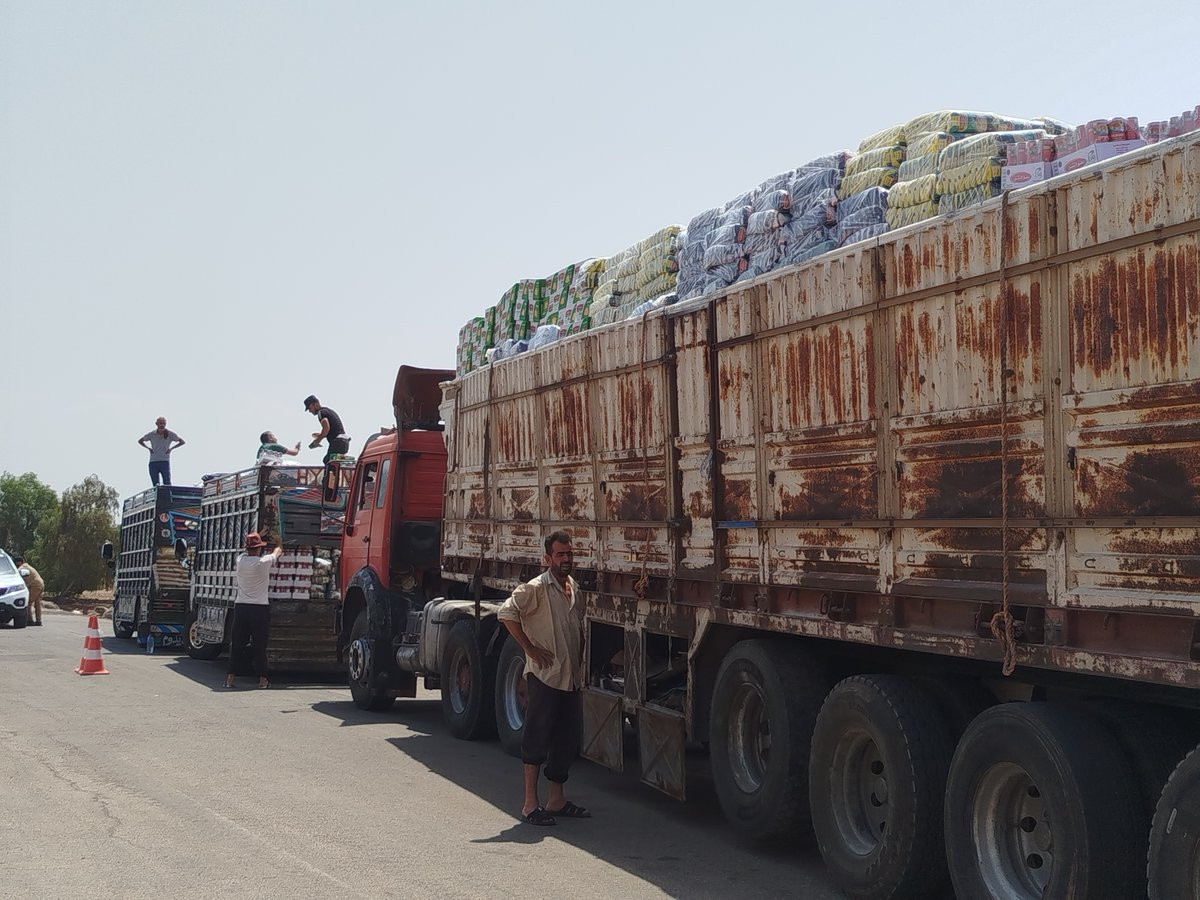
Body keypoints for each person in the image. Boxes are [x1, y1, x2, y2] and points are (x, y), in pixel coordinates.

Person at [498, 530, 591, 826]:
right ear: (548, 558)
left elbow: (578, 628)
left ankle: (556, 800)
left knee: (565, 739)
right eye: (560, 554)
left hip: (569, 677)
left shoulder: (574, 587)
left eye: (569, 553)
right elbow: (506, 613)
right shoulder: (536, 587)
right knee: (536, 738)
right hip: (545, 676)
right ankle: (529, 805)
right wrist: (529, 648)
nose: (566, 559)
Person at [225, 532, 282, 689]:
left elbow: (244, 551)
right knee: (260, 646)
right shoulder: (263, 562)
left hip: (241, 607)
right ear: (258, 549)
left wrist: (258, 535)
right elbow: (277, 552)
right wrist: (278, 542)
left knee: (237, 644)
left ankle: (230, 678)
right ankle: (263, 679)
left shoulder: (240, 561)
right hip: (259, 608)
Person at [138, 417, 185, 486]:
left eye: (164, 424)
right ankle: (158, 493)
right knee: (156, 484)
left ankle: (168, 493)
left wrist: (171, 449)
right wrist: (149, 448)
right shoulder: (152, 434)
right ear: (156, 424)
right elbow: (140, 441)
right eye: (160, 423)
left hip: (164, 461)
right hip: (153, 461)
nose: (162, 425)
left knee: (167, 482)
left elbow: (182, 442)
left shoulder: (170, 434)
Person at [303, 395, 349, 464]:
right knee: (336, 463)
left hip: (338, 442)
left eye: (310, 408)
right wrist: (321, 435)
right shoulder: (328, 411)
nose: (310, 411)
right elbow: (331, 429)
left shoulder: (321, 412)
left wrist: (317, 441)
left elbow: (326, 428)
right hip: (344, 442)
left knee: (327, 461)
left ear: (316, 404)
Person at [14, 555, 44, 626]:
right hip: (41, 584)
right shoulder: (28, 566)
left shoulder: (21, 568)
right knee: (37, 604)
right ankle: (38, 621)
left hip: (35, 586)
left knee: (27, 603)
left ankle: (29, 620)